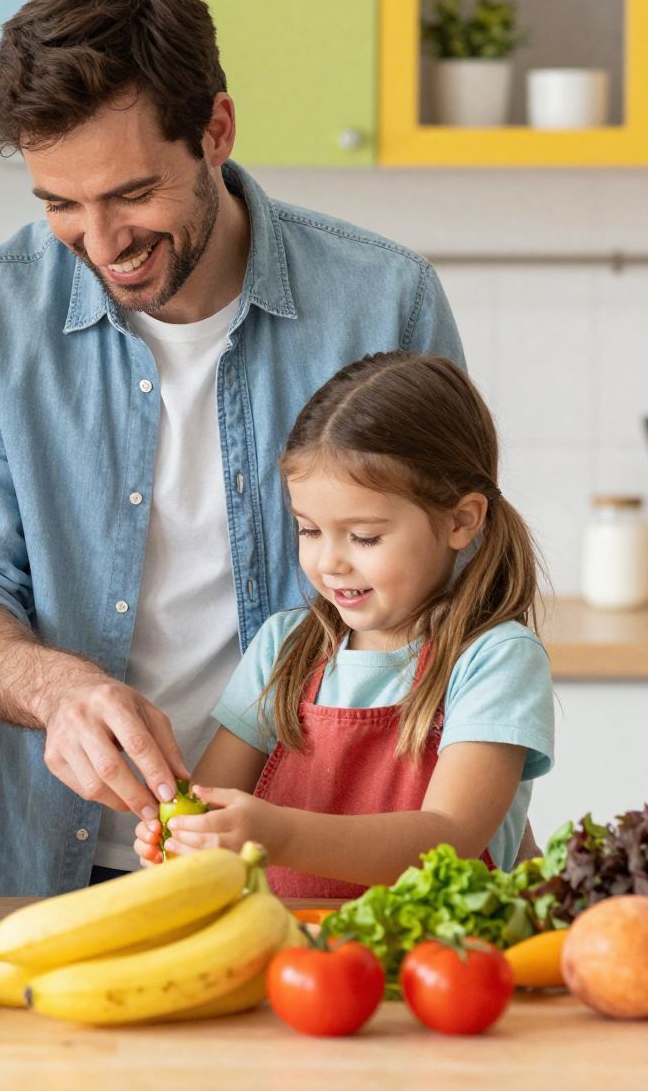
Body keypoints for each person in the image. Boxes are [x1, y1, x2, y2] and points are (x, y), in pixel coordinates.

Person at [0, 0, 466, 896]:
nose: (101, 241)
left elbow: (453, 592)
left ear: (216, 131)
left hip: (325, 866)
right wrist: (58, 691)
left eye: (130, 194)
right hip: (55, 865)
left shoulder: (383, 302)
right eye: (58, 205)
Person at [133, 353, 554, 897]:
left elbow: (447, 840)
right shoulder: (282, 650)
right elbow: (213, 801)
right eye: (309, 530)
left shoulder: (495, 660)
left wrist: (276, 833)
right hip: (292, 966)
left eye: (364, 537)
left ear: (460, 520)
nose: (330, 562)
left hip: (441, 966)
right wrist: (187, 836)